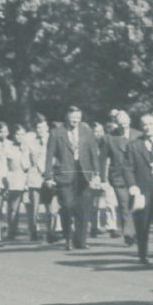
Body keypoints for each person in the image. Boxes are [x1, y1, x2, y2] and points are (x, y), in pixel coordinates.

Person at [44, 105, 102, 250]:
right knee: (67, 207)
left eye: (78, 118)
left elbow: (93, 154)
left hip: (84, 175)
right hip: (65, 174)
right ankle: (68, 238)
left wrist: (97, 174)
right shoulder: (56, 133)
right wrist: (48, 176)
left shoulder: (87, 132)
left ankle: (81, 240)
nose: (75, 120)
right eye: (72, 118)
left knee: (83, 209)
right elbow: (49, 156)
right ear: (66, 117)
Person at [122, 111, 153, 265]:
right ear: (141, 127)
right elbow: (127, 168)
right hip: (142, 190)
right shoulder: (133, 145)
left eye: (151, 124)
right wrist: (132, 186)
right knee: (142, 224)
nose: (148, 128)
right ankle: (143, 254)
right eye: (144, 125)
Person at [100, 110, 140, 246]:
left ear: (129, 120)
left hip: (137, 176)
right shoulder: (109, 138)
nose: (123, 125)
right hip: (118, 177)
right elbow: (103, 159)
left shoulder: (138, 135)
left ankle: (137, 231)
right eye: (120, 122)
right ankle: (129, 234)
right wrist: (103, 179)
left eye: (125, 121)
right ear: (116, 123)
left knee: (138, 205)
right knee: (124, 204)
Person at [19, 114, 50, 241]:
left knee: (49, 205)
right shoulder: (30, 141)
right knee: (34, 205)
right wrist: (27, 167)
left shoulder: (52, 139)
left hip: (48, 176)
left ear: (47, 127)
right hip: (34, 175)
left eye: (42, 128)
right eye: (38, 128)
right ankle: (34, 231)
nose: (40, 131)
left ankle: (50, 230)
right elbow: (24, 157)